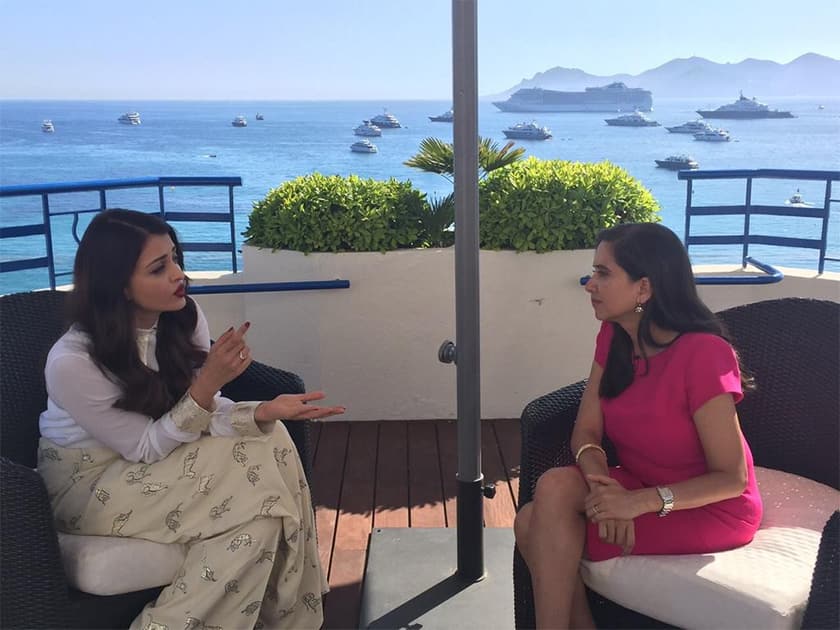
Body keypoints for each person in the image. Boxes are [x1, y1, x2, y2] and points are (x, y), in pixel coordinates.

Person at [37, 209, 345, 630]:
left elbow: (202, 412)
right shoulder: (73, 362)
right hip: (90, 484)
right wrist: (208, 386)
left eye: (176, 258)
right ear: (121, 286)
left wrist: (262, 411)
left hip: (162, 458)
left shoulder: (183, 318)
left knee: (271, 454)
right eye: (159, 268)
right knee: (261, 481)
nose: (179, 275)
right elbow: (145, 445)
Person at [513, 222, 763, 629]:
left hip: (709, 508)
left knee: (531, 524)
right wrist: (604, 493)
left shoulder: (704, 355)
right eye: (593, 272)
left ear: (643, 289)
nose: (590, 284)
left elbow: (731, 479)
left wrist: (638, 503)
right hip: (636, 484)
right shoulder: (613, 336)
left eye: (603, 274)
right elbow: (586, 433)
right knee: (555, 485)